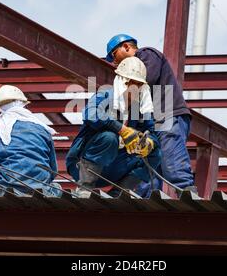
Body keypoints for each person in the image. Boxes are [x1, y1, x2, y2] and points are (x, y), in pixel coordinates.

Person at [105, 34, 196, 195]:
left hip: (167, 114)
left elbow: (145, 79)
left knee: (171, 158)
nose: (114, 63)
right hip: (153, 120)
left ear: (126, 47)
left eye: (114, 56)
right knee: (148, 165)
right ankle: (148, 201)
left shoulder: (146, 55)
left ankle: (187, 193)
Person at [66, 57, 162, 198]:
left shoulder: (141, 108)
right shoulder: (104, 96)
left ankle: (119, 193)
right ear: (121, 81)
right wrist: (122, 130)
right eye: (130, 82)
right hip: (82, 166)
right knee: (109, 138)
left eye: (138, 84)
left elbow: (152, 133)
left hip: (114, 169)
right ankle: (85, 187)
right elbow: (90, 113)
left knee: (155, 153)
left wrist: (148, 143)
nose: (133, 87)